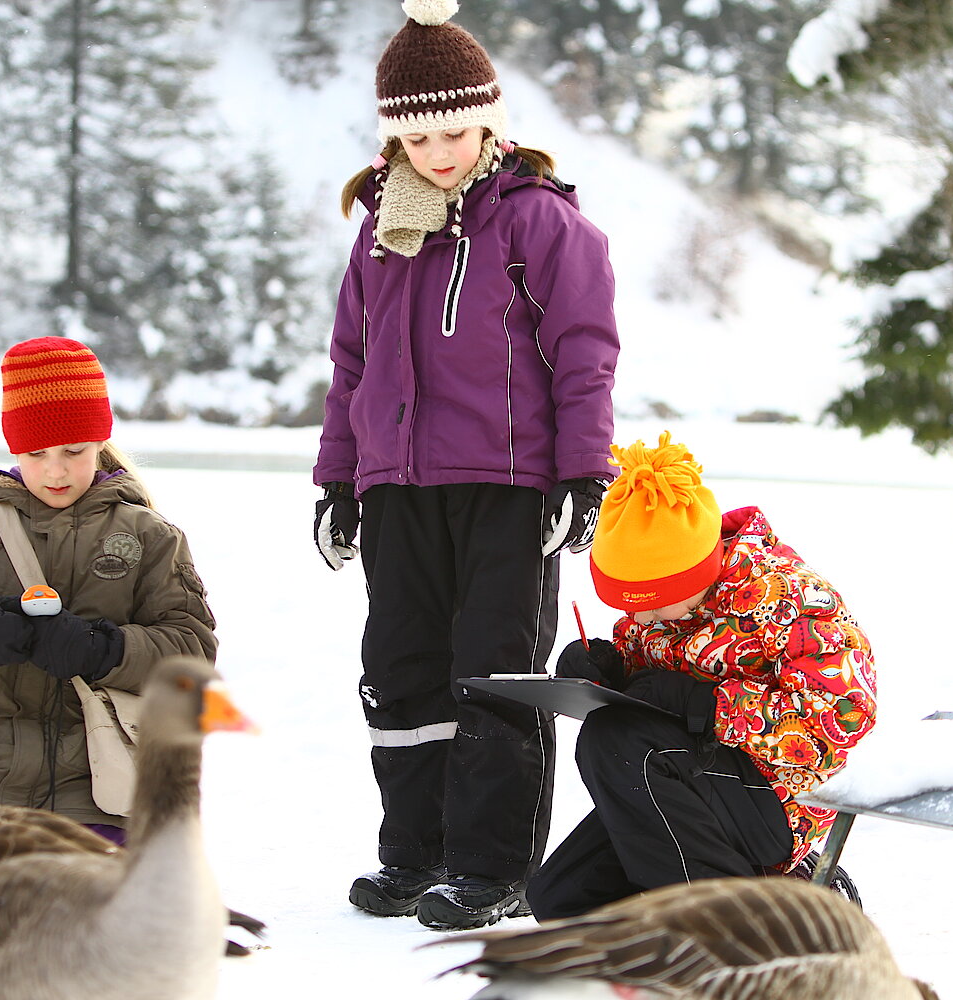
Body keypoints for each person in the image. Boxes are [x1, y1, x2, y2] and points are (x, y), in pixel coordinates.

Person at [311, 0, 620, 930]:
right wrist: (338, 480)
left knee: (494, 674)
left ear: (489, 122)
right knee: (402, 669)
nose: (441, 150)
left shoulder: (536, 222)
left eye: (457, 129)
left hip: (509, 487)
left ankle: (491, 866)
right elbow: (351, 368)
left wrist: (582, 474)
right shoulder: (381, 231)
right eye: (419, 133)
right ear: (392, 137)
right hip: (399, 488)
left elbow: (584, 351)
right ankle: (415, 851)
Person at [526, 433, 876, 920]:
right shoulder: (658, 611)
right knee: (560, 898)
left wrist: (711, 706)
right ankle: (755, 903)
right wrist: (606, 670)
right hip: (684, 784)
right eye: (625, 604)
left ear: (693, 574)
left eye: (647, 602)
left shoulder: (786, 598)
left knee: (617, 744)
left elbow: (841, 720)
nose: (639, 619)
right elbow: (648, 685)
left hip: (779, 801)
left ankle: (730, 930)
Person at [0, 336, 217, 845]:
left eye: (74, 450)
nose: (56, 469)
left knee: (88, 911)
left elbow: (192, 657)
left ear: (100, 441)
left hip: (102, 787)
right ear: (14, 446)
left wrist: (104, 649)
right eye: (37, 452)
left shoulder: (149, 535)